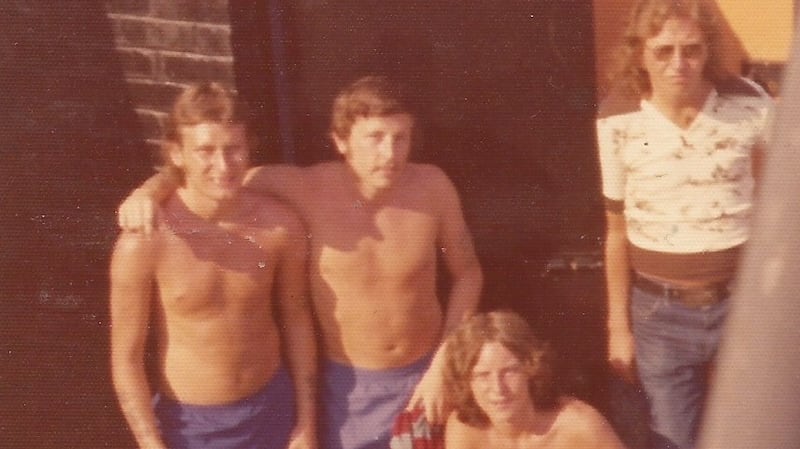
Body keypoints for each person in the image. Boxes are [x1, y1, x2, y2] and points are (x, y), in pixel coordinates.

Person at [117, 75, 484, 449]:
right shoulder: (304, 189)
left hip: (426, 374)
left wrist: (445, 362)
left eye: (400, 137)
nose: (389, 154)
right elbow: (213, 175)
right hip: (347, 386)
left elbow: (468, 272)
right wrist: (148, 190)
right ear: (341, 141)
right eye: (374, 138)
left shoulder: (433, 187)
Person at [596, 1, 773, 448]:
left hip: (742, 305)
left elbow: (780, 211)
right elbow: (615, 232)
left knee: (757, 433)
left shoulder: (750, 104)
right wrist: (619, 327)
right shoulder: (617, 117)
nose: (679, 64)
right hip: (660, 314)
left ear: (707, 50)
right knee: (673, 438)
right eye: (664, 51)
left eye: (691, 50)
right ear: (640, 54)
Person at [109, 82, 317, 449]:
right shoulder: (144, 242)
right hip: (191, 427)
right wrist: (150, 443)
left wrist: (306, 422)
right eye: (205, 150)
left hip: (273, 408)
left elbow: (297, 319)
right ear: (177, 153)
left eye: (233, 148)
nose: (223, 166)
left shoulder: (279, 227)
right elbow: (126, 360)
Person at [441, 310, 626, 449]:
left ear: (531, 369)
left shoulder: (579, 426)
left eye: (510, 371)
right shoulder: (464, 430)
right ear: (467, 382)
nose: (498, 389)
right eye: (483, 375)